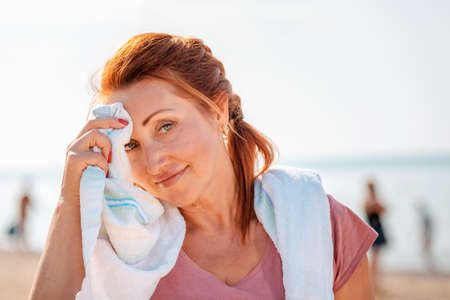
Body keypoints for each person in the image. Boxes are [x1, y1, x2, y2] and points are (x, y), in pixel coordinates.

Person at [30, 33, 377, 299]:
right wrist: (69, 202)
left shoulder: (319, 222)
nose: (154, 163)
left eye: (165, 126)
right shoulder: (132, 259)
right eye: (131, 145)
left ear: (217, 112)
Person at [364, 179, 388, 290]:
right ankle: (373, 283)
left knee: (376, 258)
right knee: (375, 258)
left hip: (376, 229)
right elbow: (381, 208)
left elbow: (383, 209)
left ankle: (375, 282)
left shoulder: (371, 200)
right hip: (374, 230)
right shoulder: (368, 200)